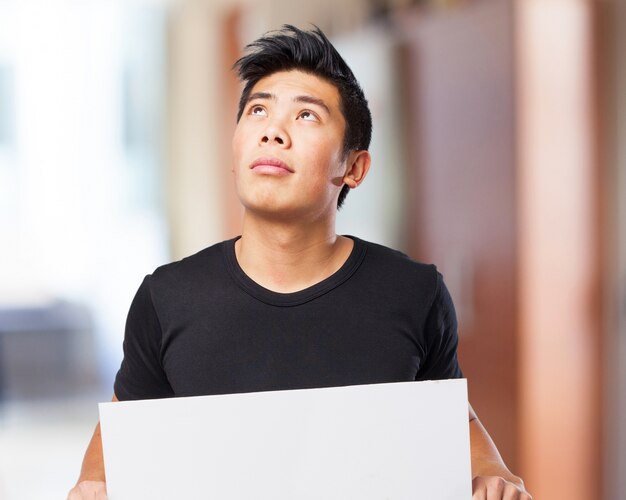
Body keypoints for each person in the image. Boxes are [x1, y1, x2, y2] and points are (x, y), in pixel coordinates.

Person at [68, 25, 532, 500]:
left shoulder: (414, 292)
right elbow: (115, 447)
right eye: (258, 110)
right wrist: (92, 486)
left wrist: (496, 476)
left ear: (353, 168)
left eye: (307, 115)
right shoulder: (167, 297)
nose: (272, 130)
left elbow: (455, 423)